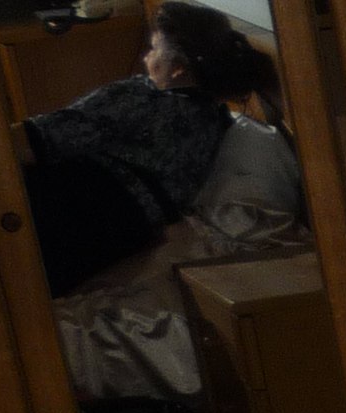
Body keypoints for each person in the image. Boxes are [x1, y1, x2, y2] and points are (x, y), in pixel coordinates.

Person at [19, 3, 277, 296]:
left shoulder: (144, 98)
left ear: (178, 68)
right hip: (118, 237)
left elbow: (39, 137)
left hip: (70, 209)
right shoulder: (214, 121)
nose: (146, 57)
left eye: (154, 49)